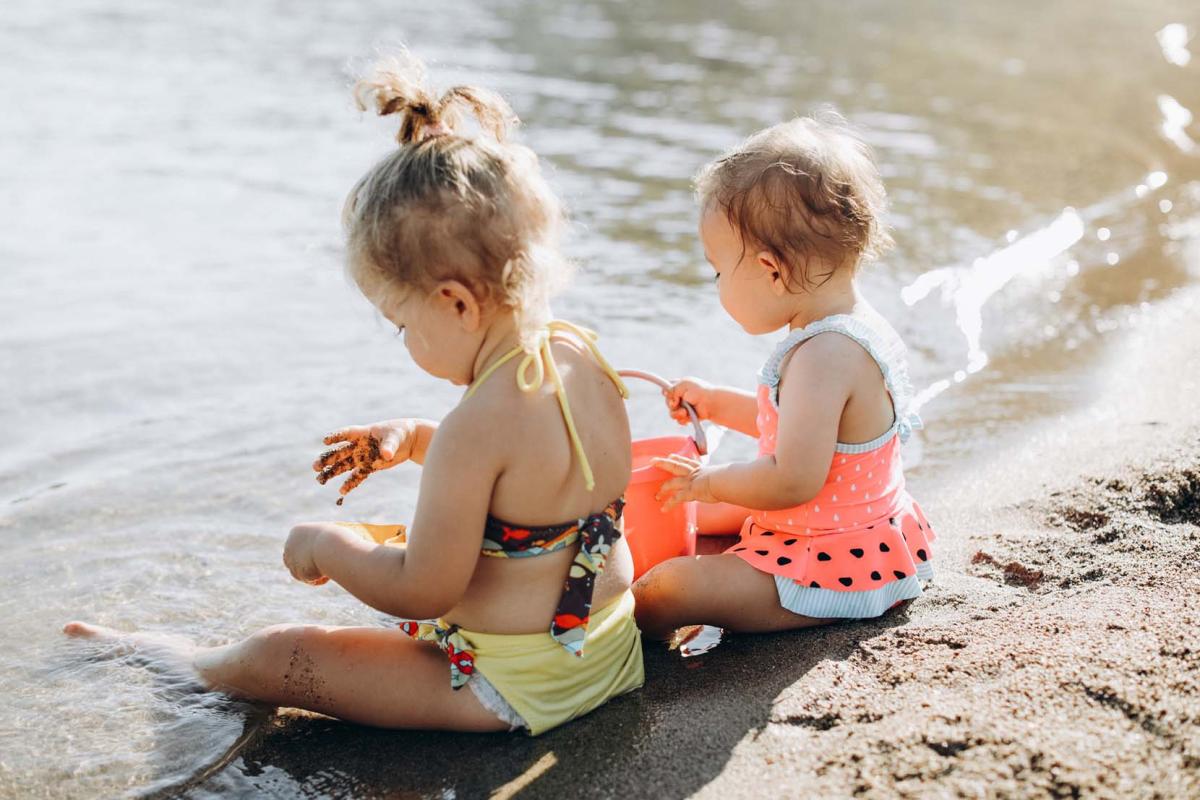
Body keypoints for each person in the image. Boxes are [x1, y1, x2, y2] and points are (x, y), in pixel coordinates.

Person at [64, 52, 642, 737]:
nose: (403, 343)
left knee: (285, 652)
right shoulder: (579, 356)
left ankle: (181, 660)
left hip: (507, 688)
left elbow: (424, 590)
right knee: (402, 544)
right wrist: (416, 437)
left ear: (454, 302)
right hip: (606, 655)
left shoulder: (477, 429)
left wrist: (326, 546)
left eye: (402, 325)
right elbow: (533, 483)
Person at [633, 111, 935, 639]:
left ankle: (643, 652)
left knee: (666, 587)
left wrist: (708, 482)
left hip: (834, 565)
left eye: (718, 269)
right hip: (855, 531)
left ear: (771, 271)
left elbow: (793, 479)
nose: (717, 282)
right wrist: (716, 402)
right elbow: (801, 427)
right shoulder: (849, 326)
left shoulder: (824, 355)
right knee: (689, 514)